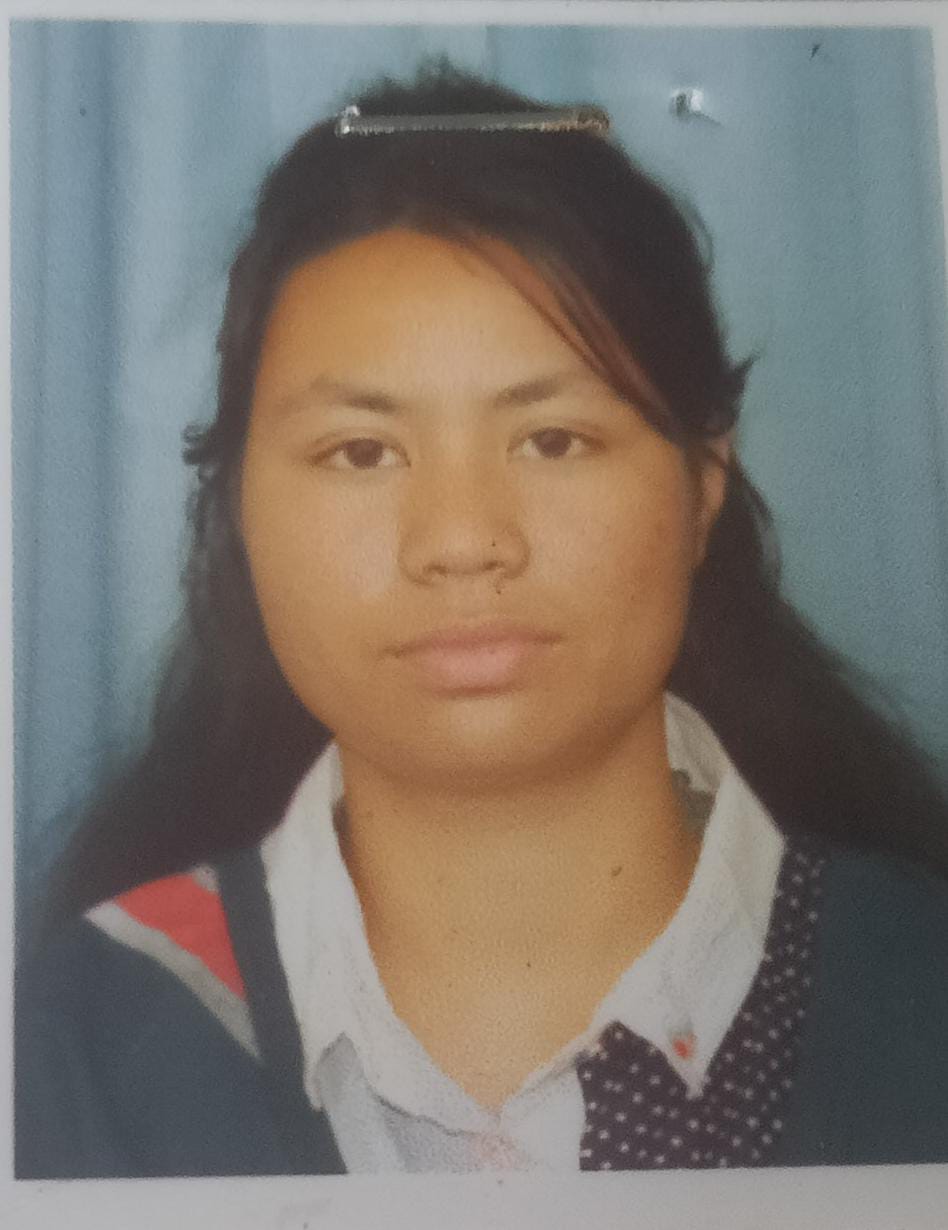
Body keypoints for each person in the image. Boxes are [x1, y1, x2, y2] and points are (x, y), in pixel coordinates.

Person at [14, 62, 948, 1179]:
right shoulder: (78, 1042)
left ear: (704, 483)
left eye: (552, 440)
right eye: (362, 452)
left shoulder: (916, 988)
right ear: (240, 511)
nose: (462, 540)